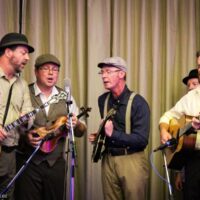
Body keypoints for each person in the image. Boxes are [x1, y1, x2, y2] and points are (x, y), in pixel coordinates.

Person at [15, 54, 86, 200]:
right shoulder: (24, 93)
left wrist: (76, 123)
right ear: (36, 71)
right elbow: (12, 127)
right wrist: (25, 137)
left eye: (55, 69)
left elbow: (81, 130)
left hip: (56, 165)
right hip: (28, 163)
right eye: (46, 68)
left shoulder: (66, 97)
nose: (51, 73)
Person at [89, 57, 150, 200]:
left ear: (121, 74)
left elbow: (142, 140)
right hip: (108, 160)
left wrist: (113, 134)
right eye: (102, 72)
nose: (104, 76)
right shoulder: (102, 100)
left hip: (132, 161)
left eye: (108, 71)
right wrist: (100, 136)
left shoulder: (138, 103)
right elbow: (110, 128)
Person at [0, 32, 34, 200]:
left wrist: (27, 119)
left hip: (9, 154)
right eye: (23, 52)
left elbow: (29, 116)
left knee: (7, 195)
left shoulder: (23, 85)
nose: (27, 58)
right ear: (8, 52)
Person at [159, 61, 200, 199]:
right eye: (199, 65)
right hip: (193, 161)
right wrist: (164, 130)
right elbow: (168, 115)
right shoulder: (190, 97)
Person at [174, 68, 199, 192]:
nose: (190, 87)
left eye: (194, 84)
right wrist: (180, 173)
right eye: (188, 85)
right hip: (191, 165)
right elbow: (184, 144)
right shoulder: (184, 111)